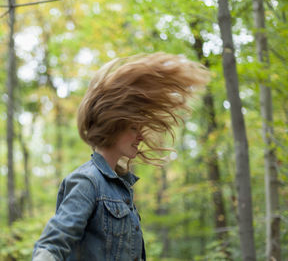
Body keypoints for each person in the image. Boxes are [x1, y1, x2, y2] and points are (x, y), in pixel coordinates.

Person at [32, 52, 210, 261]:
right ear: (114, 127)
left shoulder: (121, 188)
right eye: (133, 128)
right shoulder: (87, 182)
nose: (141, 136)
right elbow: (52, 245)